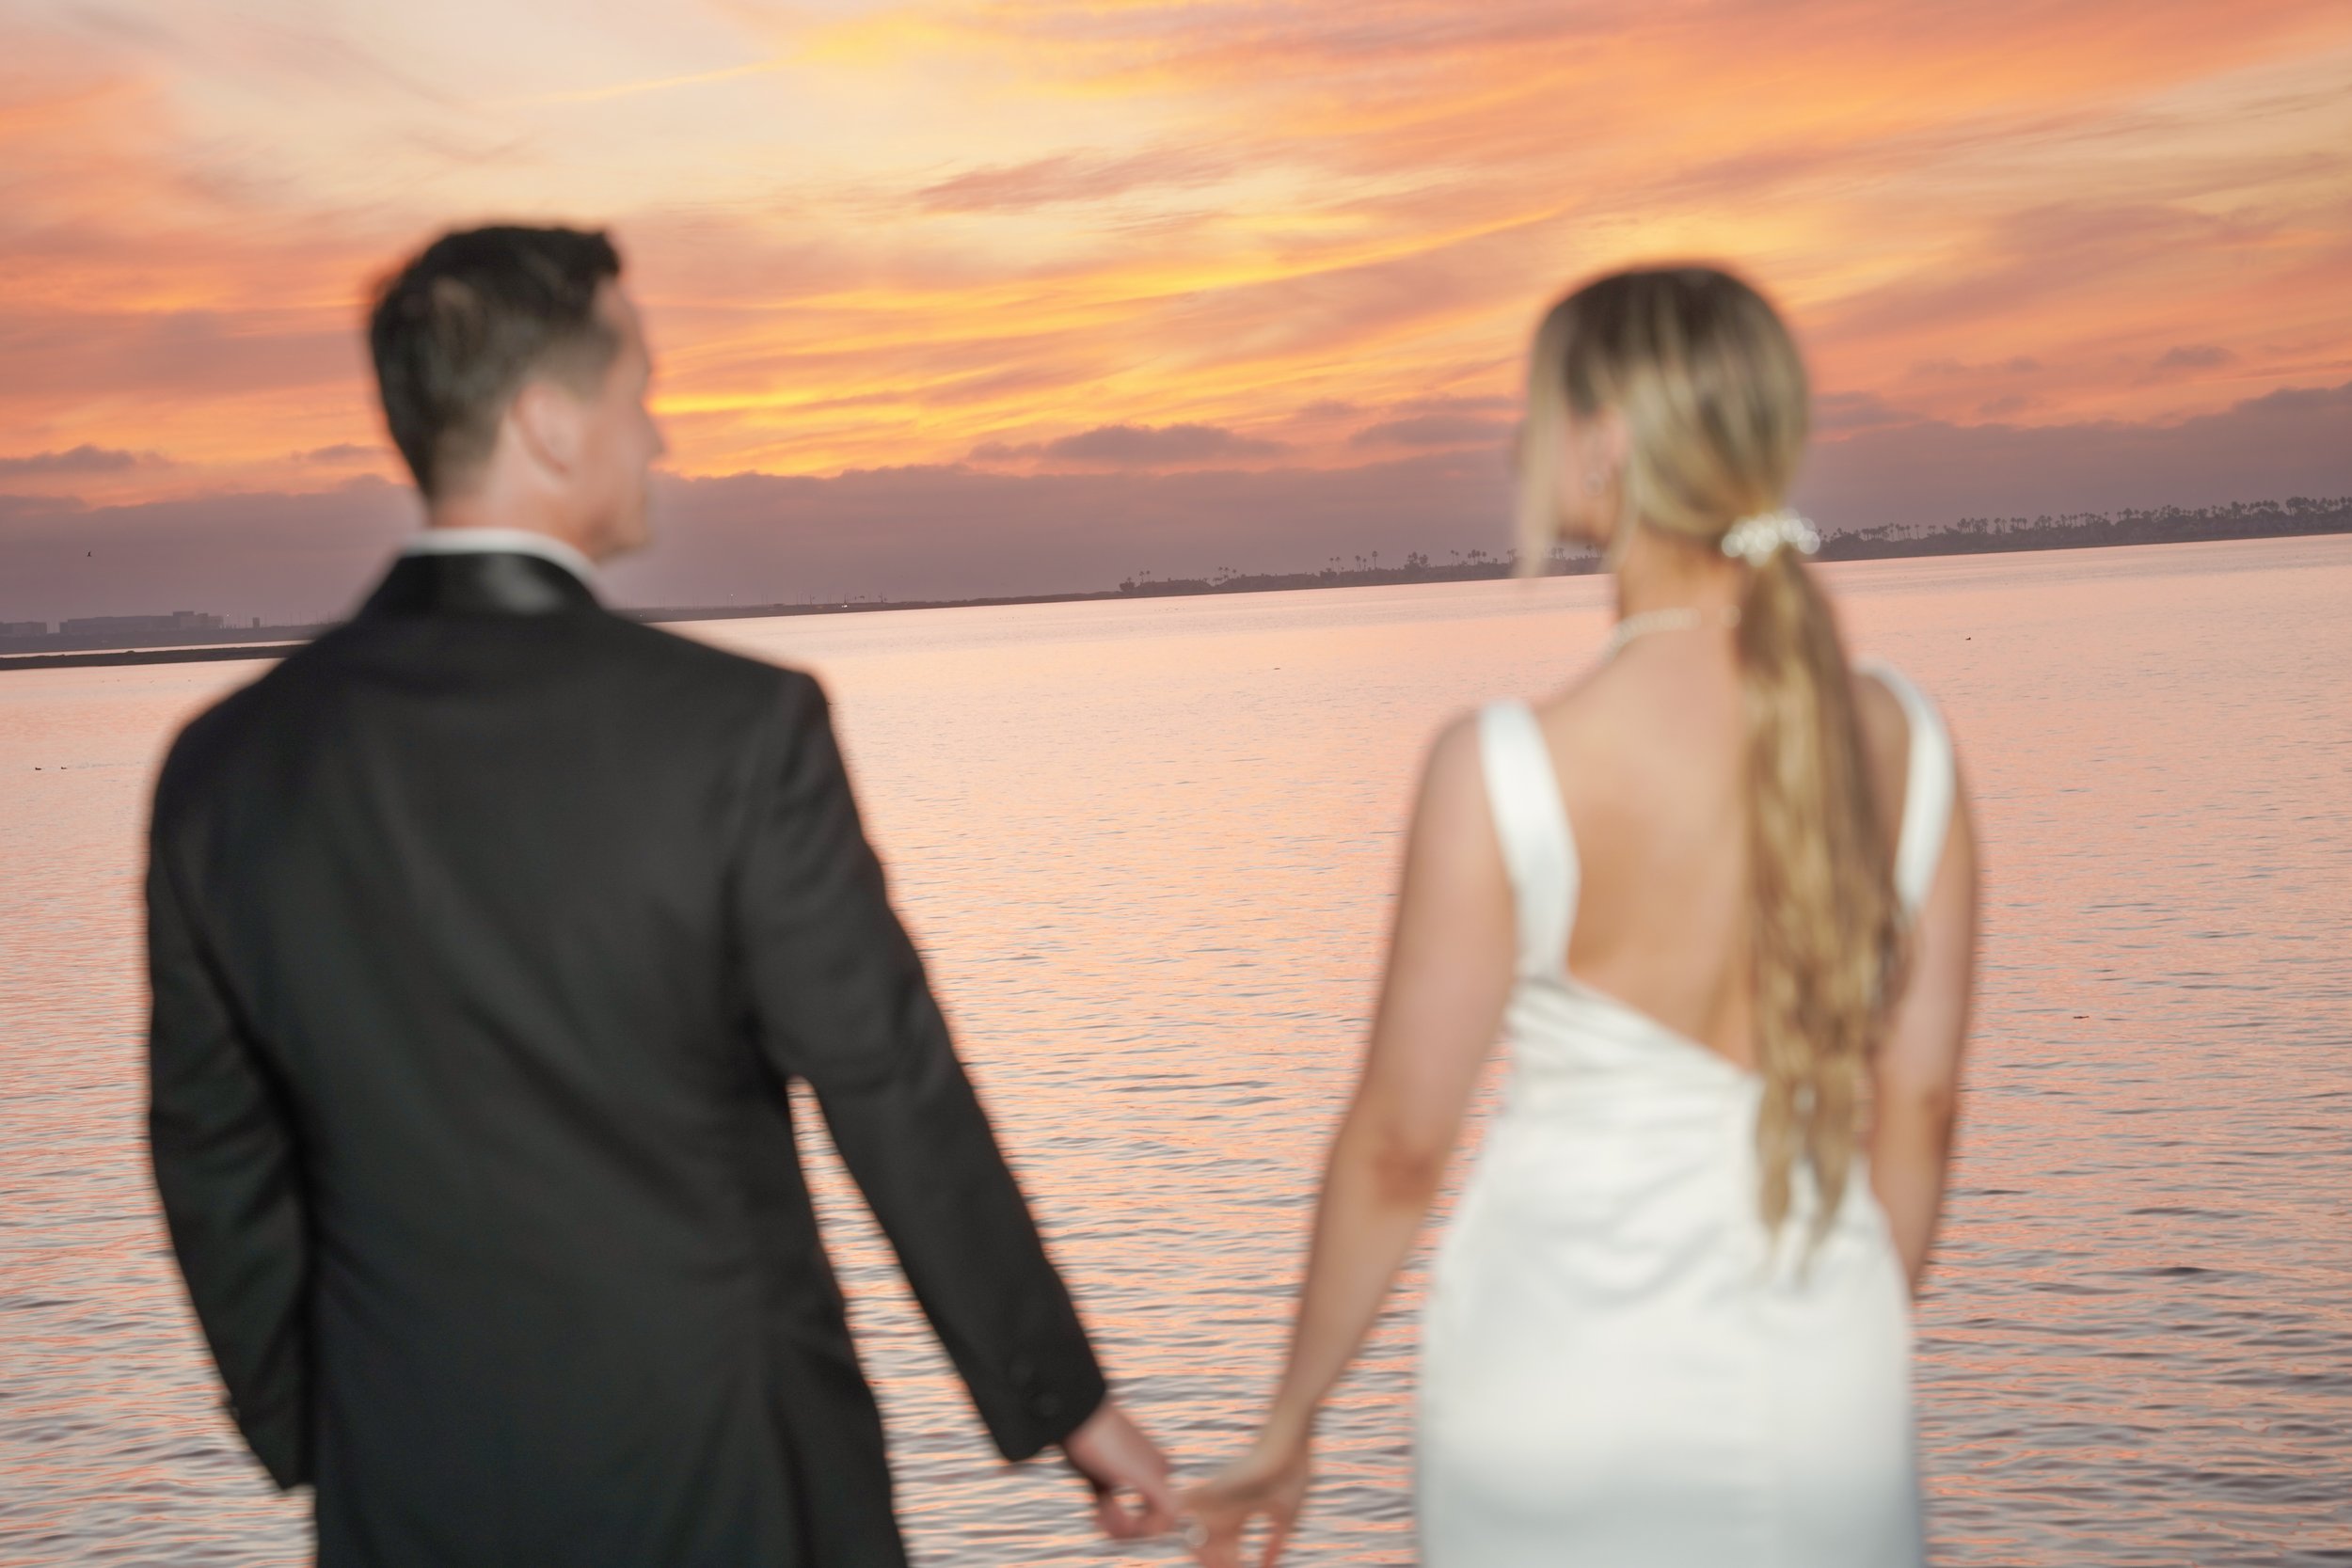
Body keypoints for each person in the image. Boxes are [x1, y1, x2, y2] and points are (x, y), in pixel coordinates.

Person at [144, 224, 1175, 1567]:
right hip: (734, 1475)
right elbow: (890, 1086)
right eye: (643, 396)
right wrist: (1067, 1403)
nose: (663, 439)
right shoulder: (737, 732)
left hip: (408, 1486)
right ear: (550, 424)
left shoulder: (224, 769)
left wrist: (320, 1430)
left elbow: (212, 1158)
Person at [1184, 265, 1979, 1566]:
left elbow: (1399, 1147)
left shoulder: (1508, 765)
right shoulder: (1908, 740)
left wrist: (1291, 1418)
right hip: (1830, 1373)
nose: (1518, 444)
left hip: (1561, 1378)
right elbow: (1923, 1111)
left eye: (1539, 411)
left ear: (1607, 443)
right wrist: (1837, 1317)